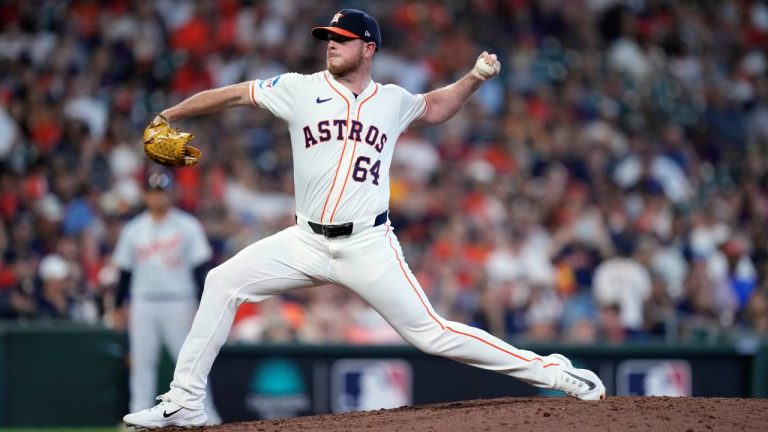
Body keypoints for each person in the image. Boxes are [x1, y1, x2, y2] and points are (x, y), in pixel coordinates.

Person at [124, 9, 605, 429]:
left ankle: (554, 372)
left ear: (368, 48)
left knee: (432, 334)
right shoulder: (298, 89)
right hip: (304, 240)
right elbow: (233, 95)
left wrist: (475, 78)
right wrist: (171, 111)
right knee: (221, 281)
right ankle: (184, 402)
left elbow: (436, 107)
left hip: (367, 244)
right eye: (327, 39)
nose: (331, 45)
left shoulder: (391, 100)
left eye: (341, 39)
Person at [114, 170, 221, 425]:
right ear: (145, 195)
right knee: (142, 364)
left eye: (162, 192)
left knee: (192, 363)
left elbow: (200, 270)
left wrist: (202, 305)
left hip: (179, 301)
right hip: (143, 302)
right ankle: (137, 417)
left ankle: (208, 415)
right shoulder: (133, 229)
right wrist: (119, 306)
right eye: (153, 192)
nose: (158, 198)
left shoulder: (187, 225)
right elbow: (125, 273)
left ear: (170, 194)